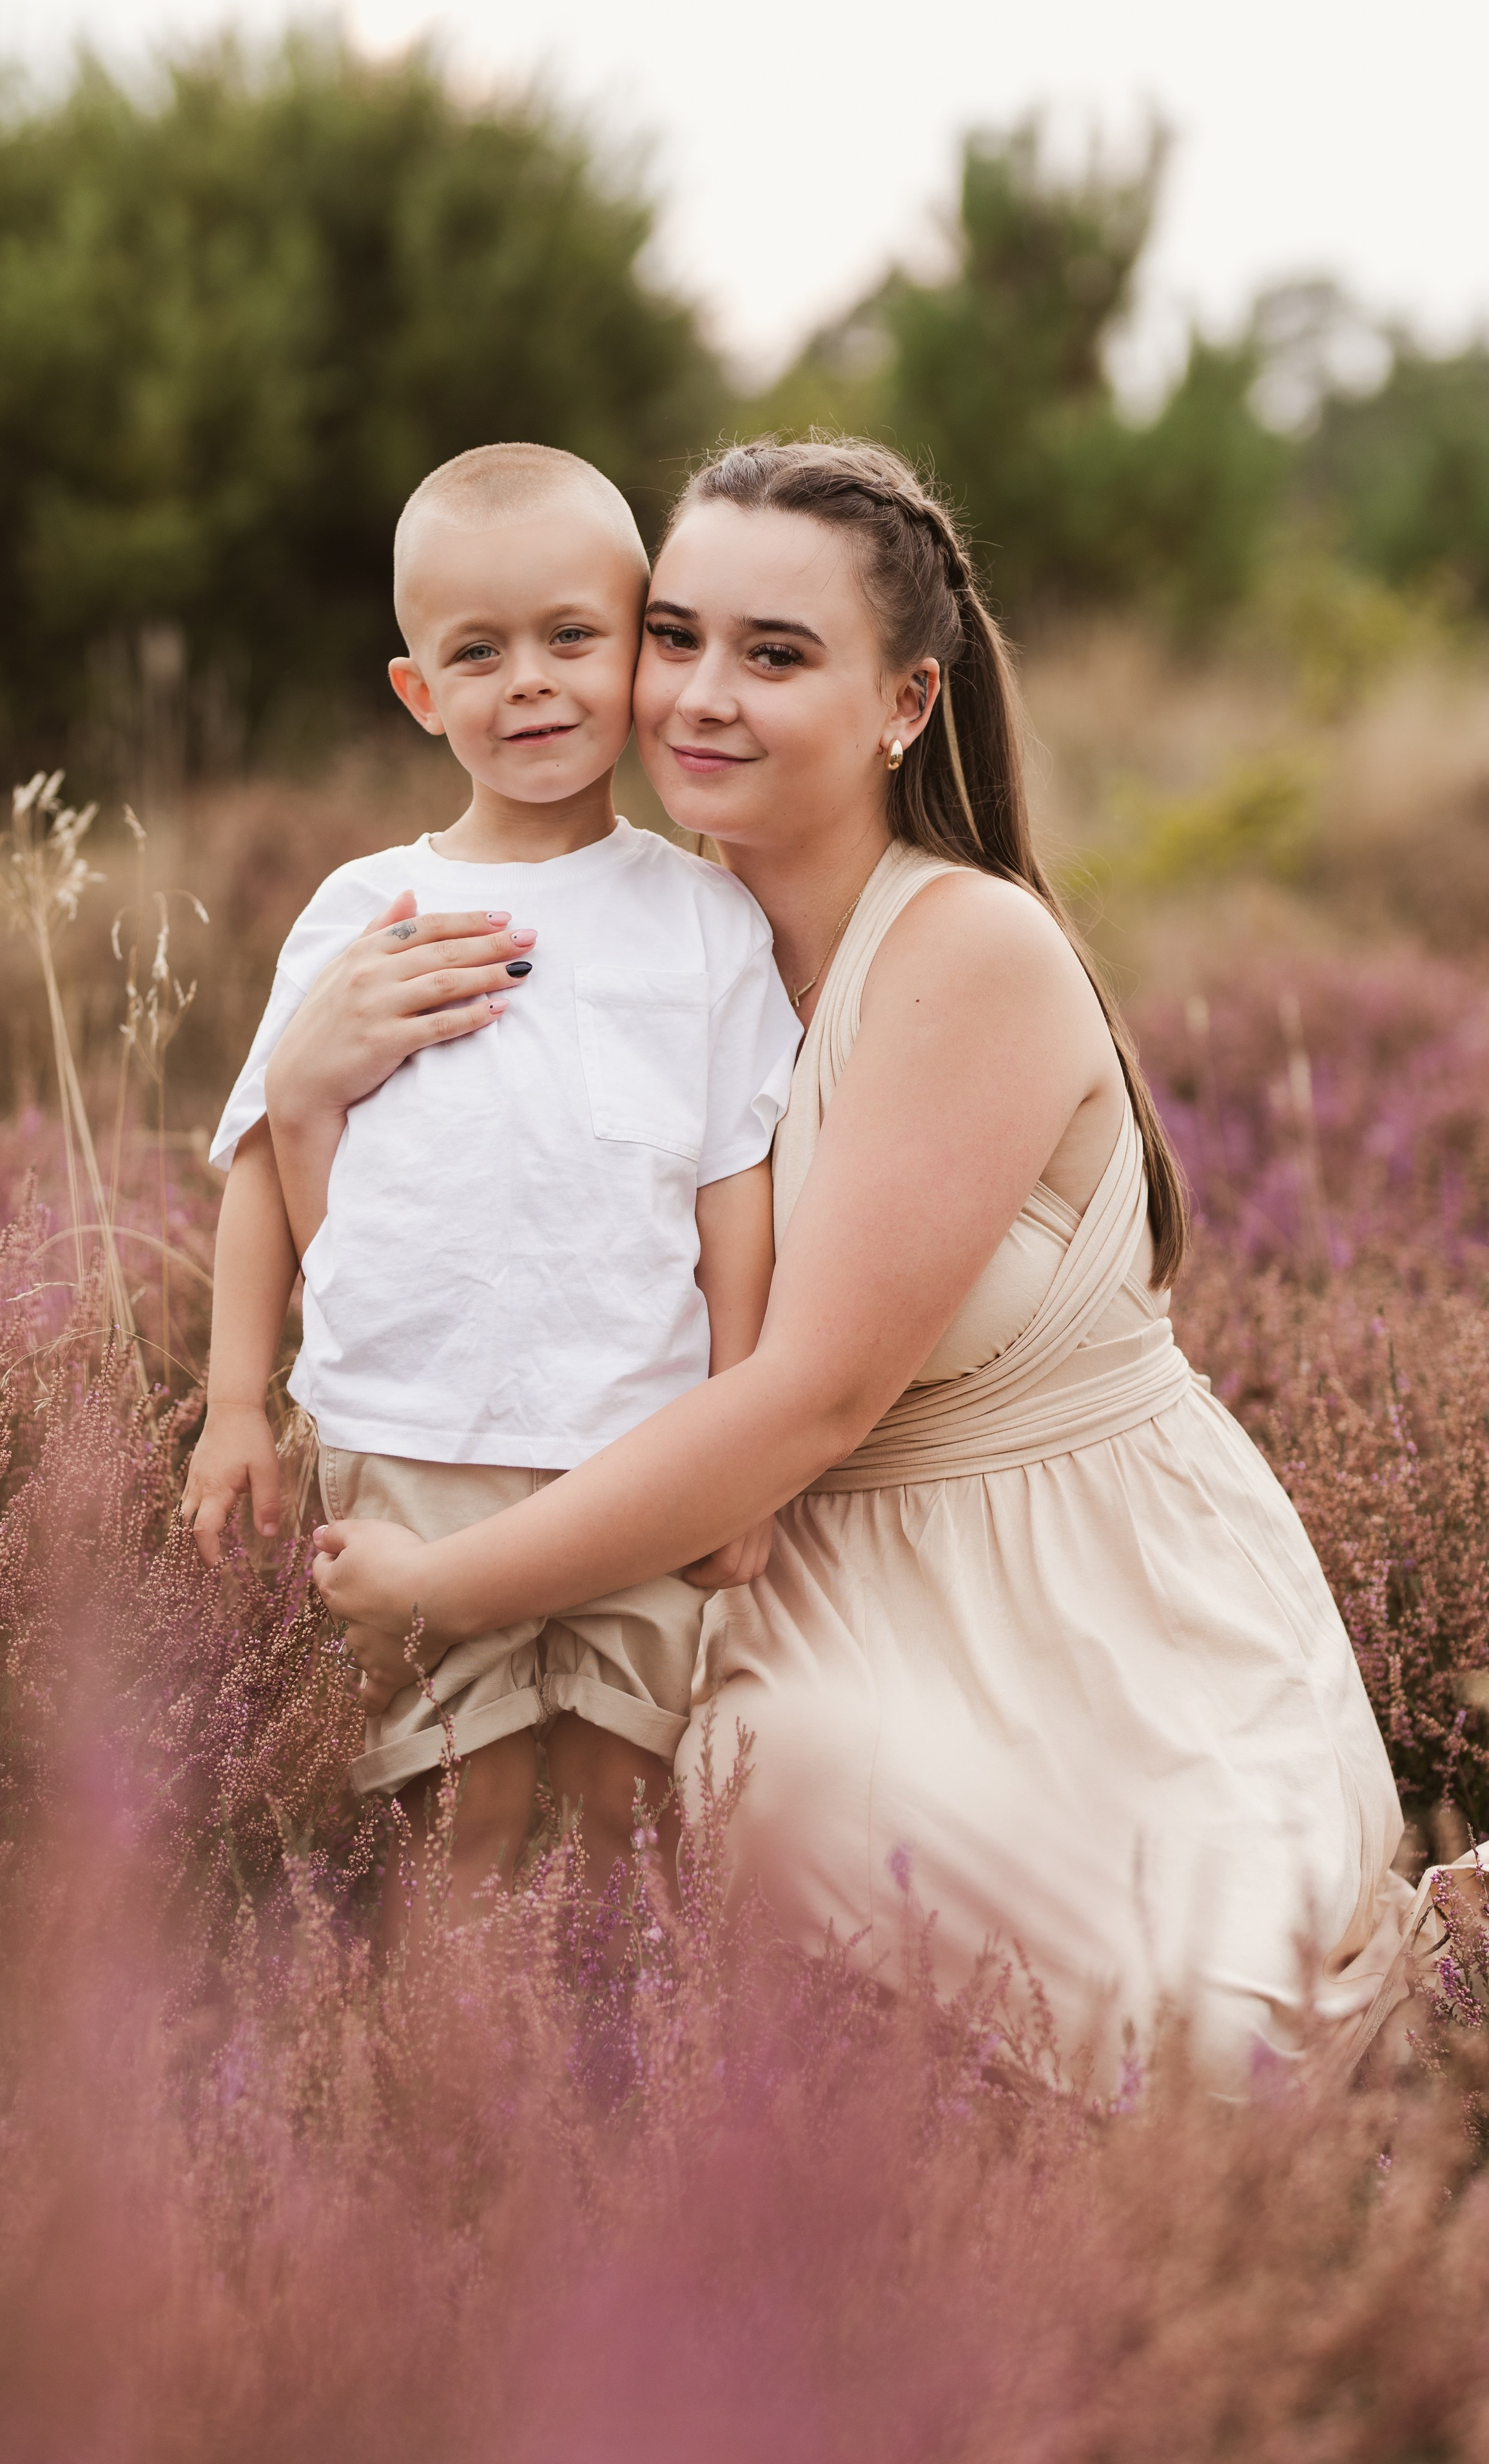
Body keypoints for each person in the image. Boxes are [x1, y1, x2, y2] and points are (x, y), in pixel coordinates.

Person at [307, 434, 1409, 2088]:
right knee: (751, 1803)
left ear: (903, 703)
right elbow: (454, 1266)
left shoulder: (967, 947)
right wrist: (307, 1089)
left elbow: (807, 1399)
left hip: (1085, 1612)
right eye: (672, 637)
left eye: (773, 655)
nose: (698, 697)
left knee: (1207, 2046)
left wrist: (447, 1587)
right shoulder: (644, 937)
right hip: (778, 1590)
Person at [180, 442, 799, 1919]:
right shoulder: (366, 909)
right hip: (414, 1435)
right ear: (418, 691)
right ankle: (440, 2054)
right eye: (478, 653)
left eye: (571, 637)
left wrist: (742, 1449)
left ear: (640, 650)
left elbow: (734, 1197)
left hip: (636, 1453)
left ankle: (602, 2055)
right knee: (459, 1813)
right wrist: (232, 1405)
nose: (528, 683)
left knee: (620, 1810)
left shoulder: (706, 918)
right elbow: (265, 1152)